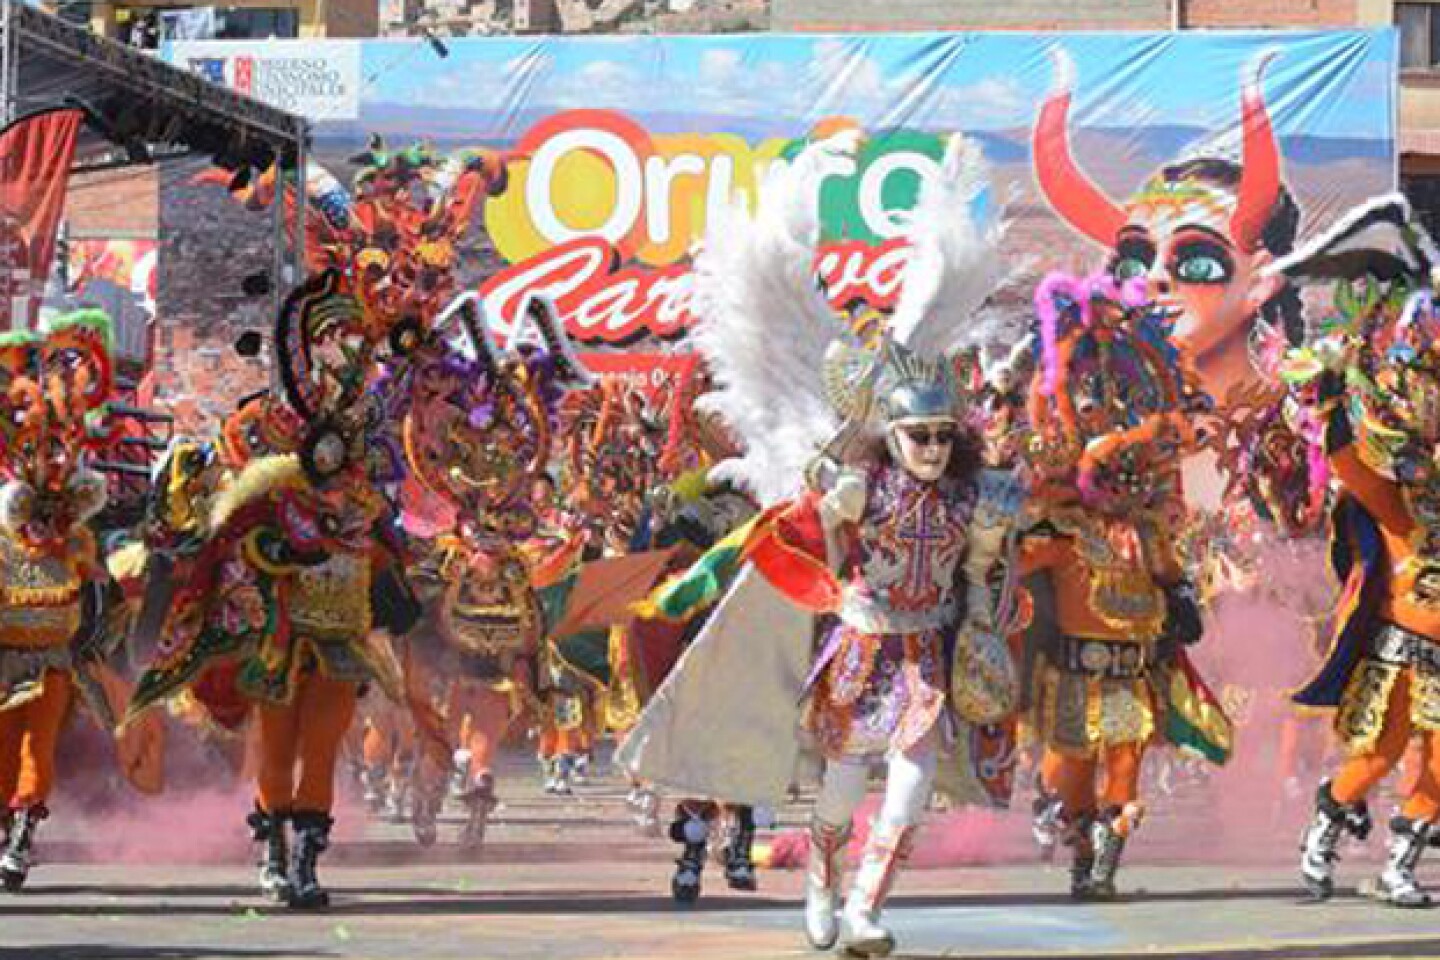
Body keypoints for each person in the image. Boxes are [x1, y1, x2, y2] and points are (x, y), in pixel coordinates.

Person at [620, 131, 1023, 957]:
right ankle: (822, 891)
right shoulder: (859, 487)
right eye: (920, 436)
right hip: (857, 660)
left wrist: (988, 604)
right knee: (840, 799)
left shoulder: (967, 499)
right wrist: (830, 530)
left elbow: (989, 584)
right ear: (894, 436)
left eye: (945, 436)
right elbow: (796, 547)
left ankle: (869, 911)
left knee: (907, 797)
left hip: (924, 667)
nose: (935, 449)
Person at [0, 311, 122, 891]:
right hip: (3, 661)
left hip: (53, 660)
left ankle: (23, 833)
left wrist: (92, 644)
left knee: (37, 748)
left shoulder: (79, 539)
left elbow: (101, 597)